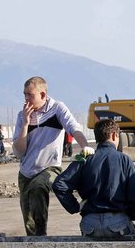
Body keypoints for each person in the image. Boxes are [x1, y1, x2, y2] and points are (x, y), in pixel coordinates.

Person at [13, 76, 91, 236]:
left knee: (38, 188)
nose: (26, 99)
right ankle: (33, 245)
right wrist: (26, 124)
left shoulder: (57, 109)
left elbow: (73, 128)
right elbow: (19, 151)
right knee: (28, 219)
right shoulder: (22, 115)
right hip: (25, 172)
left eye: (30, 95)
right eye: (24, 94)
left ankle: (41, 238)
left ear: (43, 95)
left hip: (49, 168)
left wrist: (85, 146)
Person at [52, 119, 135, 239]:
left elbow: (59, 184)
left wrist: (75, 207)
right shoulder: (124, 160)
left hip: (90, 225)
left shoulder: (84, 158)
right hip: (118, 224)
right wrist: (130, 215)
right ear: (114, 135)